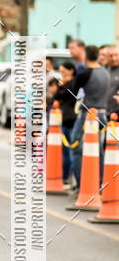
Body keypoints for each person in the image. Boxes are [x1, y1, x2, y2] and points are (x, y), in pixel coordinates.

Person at [69, 45, 110, 187]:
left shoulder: (84, 74)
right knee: (98, 150)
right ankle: (99, 183)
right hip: (102, 114)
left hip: (87, 115)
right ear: (98, 56)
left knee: (76, 147)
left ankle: (82, 184)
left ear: (85, 56)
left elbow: (73, 94)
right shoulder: (106, 73)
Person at [52, 62, 77, 190]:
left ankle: (69, 177)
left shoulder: (74, 83)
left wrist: (64, 85)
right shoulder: (65, 83)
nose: (62, 75)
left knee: (70, 150)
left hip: (71, 118)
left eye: (64, 72)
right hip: (64, 118)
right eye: (60, 72)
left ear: (71, 71)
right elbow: (56, 96)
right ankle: (65, 176)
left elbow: (68, 96)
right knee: (65, 150)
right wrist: (62, 85)